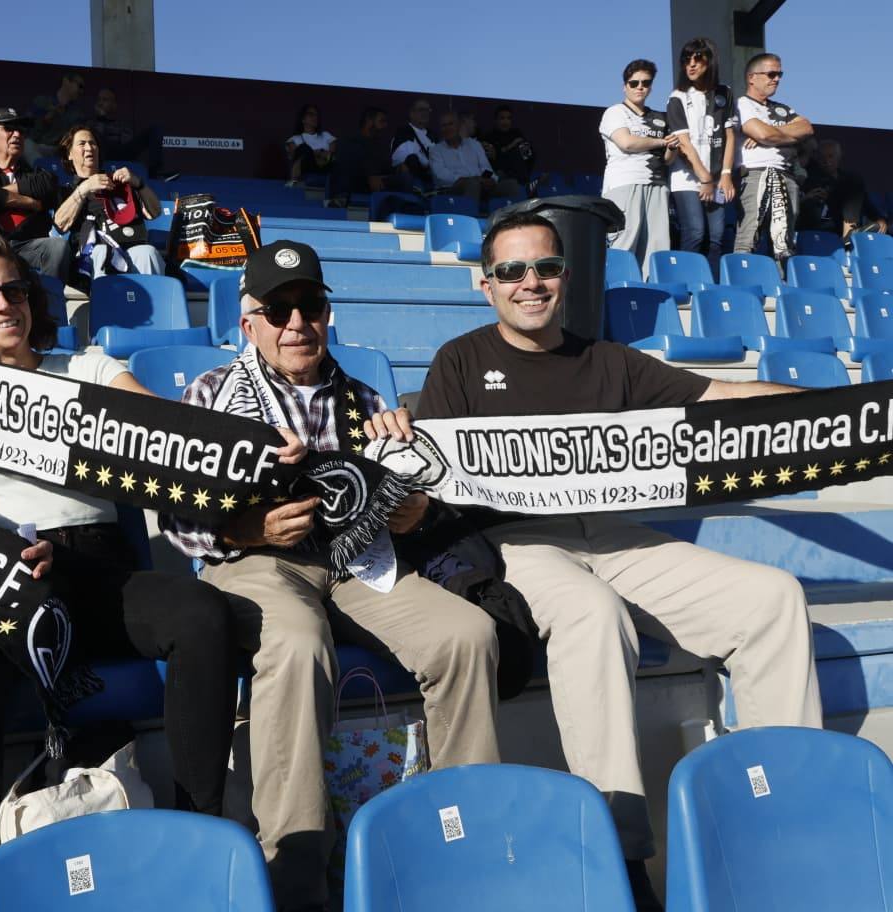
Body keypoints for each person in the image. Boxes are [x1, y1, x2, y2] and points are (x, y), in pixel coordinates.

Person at [409, 212, 822, 912]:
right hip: (519, 544)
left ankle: (782, 813)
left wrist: (847, 412)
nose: (529, 283)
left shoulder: (611, 361)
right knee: (591, 615)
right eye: (511, 272)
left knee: (774, 596)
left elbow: (726, 401)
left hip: (617, 535)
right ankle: (621, 845)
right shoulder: (460, 360)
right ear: (487, 286)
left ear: (565, 276)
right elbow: (429, 472)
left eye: (543, 267)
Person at [0, 231, 241, 901]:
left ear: (32, 297)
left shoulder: (90, 368)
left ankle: (201, 839)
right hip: (5, 569)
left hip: (97, 567)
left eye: (12, 289)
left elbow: (162, 429)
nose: (1, 305)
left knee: (201, 613)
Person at [161, 239, 501, 910]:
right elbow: (177, 518)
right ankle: (295, 873)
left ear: (326, 313)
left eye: (309, 306)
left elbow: (413, 502)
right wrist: (247, 528)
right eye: (278, 310)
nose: (296, 324)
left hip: (358, 564)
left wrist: (409, 510)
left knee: (467, 635)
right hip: (257, 564)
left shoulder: (370, 398)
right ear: (248, 322)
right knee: (295, 644)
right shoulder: (210, 395)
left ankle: (463, 845)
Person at [0, 107, 67, 282]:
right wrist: (31, 202)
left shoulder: (38, 175)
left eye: (21, 130)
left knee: (57, 246)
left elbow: (48, 187)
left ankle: (50, 305)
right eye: (9, 128)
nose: (17, 134)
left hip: (28, 246)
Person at [53, 124, 164, 282]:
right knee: (102, 252)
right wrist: (85, 187)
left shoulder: (119, 183)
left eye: (93, 143)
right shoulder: (67, 191)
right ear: (69, 154)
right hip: (92, 253)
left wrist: (138, 183)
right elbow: (60, 224)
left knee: (147, 252)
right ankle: (106, 304)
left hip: (130, 245)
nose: (89, 147)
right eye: (82, 143)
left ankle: (153, 306)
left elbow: (155, 212)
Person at [734, 53, 812, 267]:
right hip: (755, 173)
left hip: (786, 174)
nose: (776, 79)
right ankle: (741, 280)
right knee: (750, 231)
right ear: (752, 77)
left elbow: (807, 128)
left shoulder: (783, 108)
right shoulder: (741, 104)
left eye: (779, 74)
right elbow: (762, 134)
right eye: (771, 74)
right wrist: (788, 138)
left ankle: (780, 285)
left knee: (784, 237)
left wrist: (773, 134)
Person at [665, 38, 737, 270]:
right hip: (687, 179)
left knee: (717, 235)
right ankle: (689, 283)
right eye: (687, 60)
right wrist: (705, 178)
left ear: (710, 61)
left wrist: (724, 175)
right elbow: (683, 143)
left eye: (697, 59)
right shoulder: (678, 96)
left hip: (716, 180)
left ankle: (712, 287)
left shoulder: (725, 93)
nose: (691, 65)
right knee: (695, 232)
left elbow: (730, 136)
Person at [600, 59, 677, 272]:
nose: (640, 87)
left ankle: (648, 294)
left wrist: (673, 146)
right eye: (634, 83)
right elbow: (627, 142)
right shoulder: (615, 112)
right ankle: (614, 291)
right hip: (624, 183)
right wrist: (663, 142)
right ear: (625, 86)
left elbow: (668, 159)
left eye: (645, 82)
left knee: (656, 247)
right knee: (624, 242)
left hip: (658, 184)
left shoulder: (660, 118)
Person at [800, 138, 887, 237]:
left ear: (839, 156)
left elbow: (865, 204)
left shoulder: (850, 180)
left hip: (842, 223)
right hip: (820, 227)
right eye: (821, 157)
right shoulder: (810, 178)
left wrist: (879, 218)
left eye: (830, 156)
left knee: (854, 183)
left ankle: (851, 234)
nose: (826, 161)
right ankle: (849, 235)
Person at [431, 110, 523, 203]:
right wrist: (469, 180)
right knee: (472, 184)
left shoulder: (474, 144)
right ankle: (469, 215)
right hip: (453, 189)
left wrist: (492, 179)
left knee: (512, 185)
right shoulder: (436, 150)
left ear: (458, 125)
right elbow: (441, 176)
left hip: (482, 185)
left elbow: (486, 168)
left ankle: (514, 216)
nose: (447, 128)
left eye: (450, 124)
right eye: (444, 125)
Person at [327, 106, 403, 207]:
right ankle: (339, 201)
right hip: (355, 182)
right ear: (369, 121)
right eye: (382, 121)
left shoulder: (381, 146)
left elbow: (385, 168)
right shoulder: (349, 140)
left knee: (405, 179)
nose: (385, 125)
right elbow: (346, 162)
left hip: (377, 184)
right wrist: (369, 175)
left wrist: (399, 168)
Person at [90, 87, 167, 181]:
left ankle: (154, 174)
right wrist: (101, 118)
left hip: (121, 152)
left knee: (155, 130)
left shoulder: (122, 125)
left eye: (105, 100)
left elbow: (126, 143)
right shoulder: (90, 123)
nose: (100, 103)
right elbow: (95, 138)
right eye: (99, 100)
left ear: (114, 104)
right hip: (101, 153)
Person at [26, 71, 85, 162]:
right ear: (66, 81)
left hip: (59, 151)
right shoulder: (42, 101)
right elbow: (29, 130)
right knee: (26, 144)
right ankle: (43, 170)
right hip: (38, 147)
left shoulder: (77, 113)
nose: (81, 91)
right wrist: (46, 120)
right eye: (79, 86)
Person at [481, 104, 535, 186]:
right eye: (502, 118)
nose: (505, 122)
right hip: (498, 172)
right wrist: (511, 146)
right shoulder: (489, 137)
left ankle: (529, 184)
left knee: (522, 150)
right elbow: (494, 159)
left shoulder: (516, 133)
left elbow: (528, 156)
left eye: (508, 118)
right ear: (496, 120)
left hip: (517, 171)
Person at [390, 97, 436, 193]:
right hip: (413, 180)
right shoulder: (404, 133)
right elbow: (407, 160)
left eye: (427, 110)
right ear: (411, 113)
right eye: (421, 110)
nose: (425, 113)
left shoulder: (433, 135)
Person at [284, 103, 335, 186]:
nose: (315, 117)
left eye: (316, 115)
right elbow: (294, 157)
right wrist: (319, 153)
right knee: (304, 148)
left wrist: (314, 154)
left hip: (325, 167)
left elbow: (332, 155)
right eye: (311, 115)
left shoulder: (327, 136)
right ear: (303, 119)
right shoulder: (294, 140)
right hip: (307, 169)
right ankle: (296, 181)